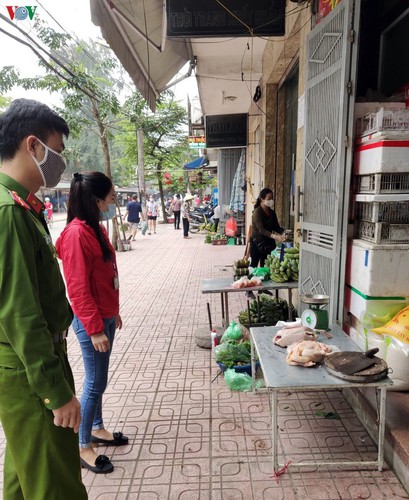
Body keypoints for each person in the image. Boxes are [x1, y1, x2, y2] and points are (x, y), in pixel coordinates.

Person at [0, 98, 87, 499]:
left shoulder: (20, 206)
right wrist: (55, 392)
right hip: (32, 371)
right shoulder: (10, 213)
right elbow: (19, 314)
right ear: (33, 145)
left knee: (25, 478)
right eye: (56, 151)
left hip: (25, 369)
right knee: (56, 487)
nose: (59, 163)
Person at [55, 171, 127, 475]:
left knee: (100, 380)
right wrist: (96, 327)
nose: (113, 201)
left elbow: (104, 276)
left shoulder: (93, 228)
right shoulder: (76, 234)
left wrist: (114, 312)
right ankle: (83, 444)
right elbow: (78, 288)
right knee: (95, 382)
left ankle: (97, 427)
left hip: (105, 316)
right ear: (96, 200)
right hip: (92, 323)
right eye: (110, 197)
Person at [250, 188, 286, 267]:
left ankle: (261, 279)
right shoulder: (257, 212)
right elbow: (261, 230)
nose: (271, 200)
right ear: (262, 199)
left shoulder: (272, 213)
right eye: (269, 198)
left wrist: (285, 233)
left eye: (272, 198)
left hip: (267, 244)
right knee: (254, 264)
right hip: (257, 243)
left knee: (265, 265)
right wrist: (275, 236)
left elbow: (276, 227)